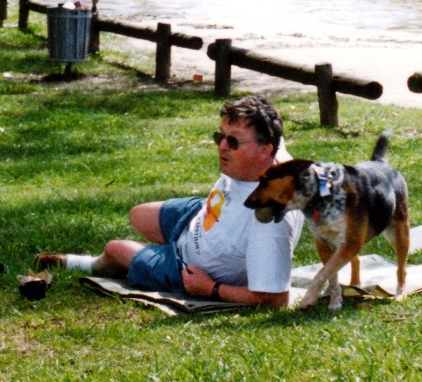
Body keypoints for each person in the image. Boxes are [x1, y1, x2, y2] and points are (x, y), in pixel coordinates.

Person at [36, 94, 304, 308]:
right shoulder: (275, 155)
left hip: (188, 267)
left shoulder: (268, 221)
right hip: (200, 215)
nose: (222, 146)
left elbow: (275, 299)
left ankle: (86, 263)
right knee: (138, 215)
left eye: (232, 142)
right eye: (219, 136)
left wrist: (210, 289)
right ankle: (156, 254)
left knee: (116, 248)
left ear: (264, 150)